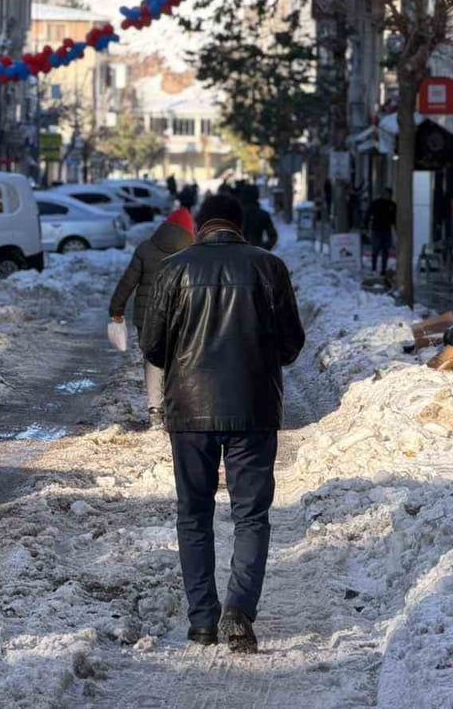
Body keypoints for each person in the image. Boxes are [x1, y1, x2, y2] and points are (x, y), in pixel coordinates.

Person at [140, 195, 305, 653]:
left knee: (194, 513)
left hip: (189, 412)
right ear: (240, 225)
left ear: (200, 226)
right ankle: (239, 609)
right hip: (253, 409)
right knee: (251, 514)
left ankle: (202, 621)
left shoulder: (173, 269)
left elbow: (152, 346)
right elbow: (291, 345)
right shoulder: (269, 267)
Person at [110, 210, 195, 428]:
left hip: (147, 317)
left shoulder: (146, 248)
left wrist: (116, 309)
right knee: (179, 361)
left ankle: (155, 410)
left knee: (153, 361)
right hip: (180, 317)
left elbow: (127, 282)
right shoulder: (192, 253)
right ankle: (177, 408)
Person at [367, 188, 397, 275]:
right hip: (377, 229)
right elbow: (368, 213)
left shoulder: (392, 205)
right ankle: (374, 268)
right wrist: (365, 225)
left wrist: (396, 228)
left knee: (385, 250)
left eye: (389, 194)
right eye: (387, 194)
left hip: (386, 230)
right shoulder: (376, 203)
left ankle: (383, 269)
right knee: (375, 249)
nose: (388, 196)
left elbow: (394, 218)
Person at [240, 185, 278, 250]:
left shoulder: (235, 214)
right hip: (256, 252)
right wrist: (263, 248)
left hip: (237, 253)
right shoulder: (263, 214)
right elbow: (273, 237)